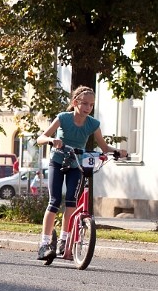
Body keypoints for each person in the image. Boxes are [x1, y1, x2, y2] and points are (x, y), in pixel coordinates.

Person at [35, 85, 127, 261]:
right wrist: (52, 140)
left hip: (77, 163)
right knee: (54, 201)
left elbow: (104, 147)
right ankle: (44, 244)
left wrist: (118, 151)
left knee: (71, 203)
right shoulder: (63, 118)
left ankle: (63, 241)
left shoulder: (93, 124)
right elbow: (41, 138)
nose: (88, 108)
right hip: (58, 162)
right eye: (84, 103)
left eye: (91, 105)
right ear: (75, 102)